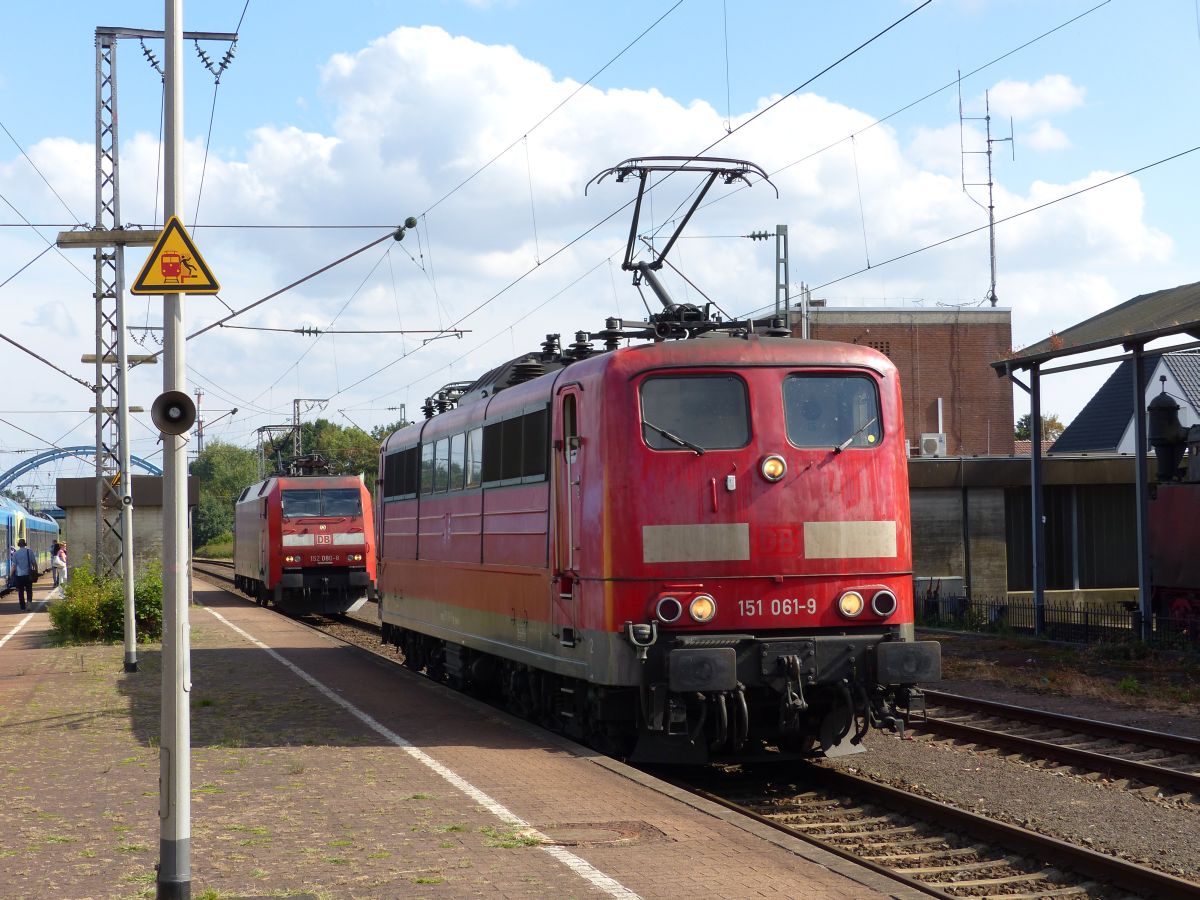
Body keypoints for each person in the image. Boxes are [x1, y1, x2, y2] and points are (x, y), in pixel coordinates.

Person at [11, 538, 37, 611]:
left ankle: (22, 607)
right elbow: (34, 563)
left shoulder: (15, 554)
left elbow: (14, 566)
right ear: (25, 544)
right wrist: (36, 571)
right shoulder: (29, 551)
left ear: (19, 545)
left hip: (19, 575)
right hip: (28, 575)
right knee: (29, 590)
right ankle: (29, 604)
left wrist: (11, 574)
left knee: (21, 592)